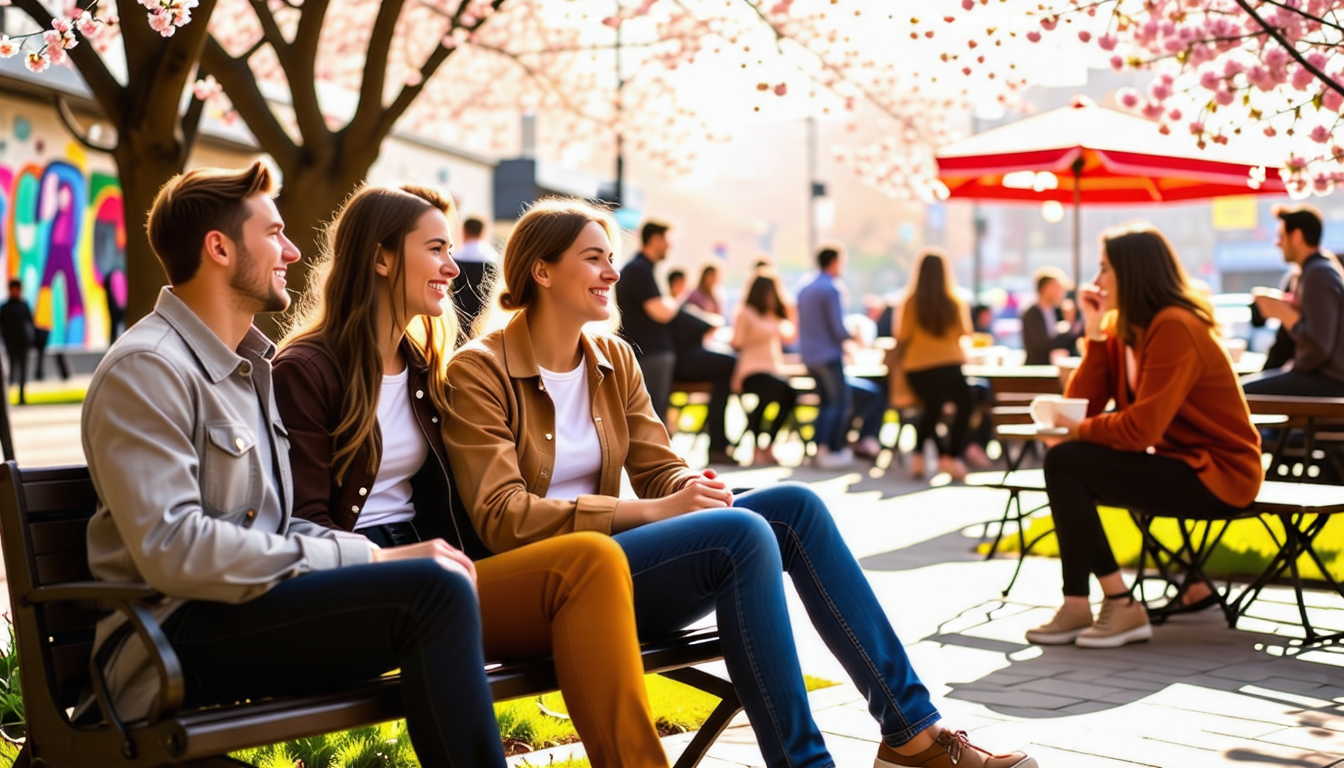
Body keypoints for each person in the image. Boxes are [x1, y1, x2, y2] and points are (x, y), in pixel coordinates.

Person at [442, 199, 1036, 768]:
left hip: (618, 565)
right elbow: (504, 515)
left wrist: (695, 489)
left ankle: (913, 734)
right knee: (740, 535)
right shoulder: (480, 368)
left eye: (610, 256)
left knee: (793, 505)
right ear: (541, 270)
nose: (613, 271)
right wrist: (651, 513)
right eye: (594, 257)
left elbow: (657, 469)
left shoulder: (612, 359)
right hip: (546, 583)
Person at [79, 163, 508, 766]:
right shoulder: (148, 367)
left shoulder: (251, 367)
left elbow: (282, 527)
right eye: (274, 233)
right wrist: (370, 556)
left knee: (438, 579)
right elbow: (173, 548)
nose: (293, 249)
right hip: (171, 640)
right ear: (220, 247)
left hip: (247, 612)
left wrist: (387, 557)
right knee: (431, 591)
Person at [273, 185, 669, 768]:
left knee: (592, 560)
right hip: (359, 578)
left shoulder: (422, 367)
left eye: (451, 249)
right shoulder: (306, 370)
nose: (453, 267)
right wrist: (393, 560)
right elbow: (303, 524)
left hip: (436, 568)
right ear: (381, 258)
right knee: (589, 558)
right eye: (435, 248)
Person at [1026, 222, 1262, 649]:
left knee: (1065, 461)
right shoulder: (1122, 332)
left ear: (1132, 274)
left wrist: (1078, 429)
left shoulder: (1175, 326)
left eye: (1104, 270)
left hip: (1220, 476)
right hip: (1180, 464)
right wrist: (1096, 335)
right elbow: (1083, 407)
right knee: (1066, 460)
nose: (1095, 282)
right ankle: (1082, 603)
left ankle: (1115, 603)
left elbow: (1139, 431)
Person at [796, 245, 886, 469]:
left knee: (827, 402)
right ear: (835, 261)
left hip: (809, 355)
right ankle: (830, 448)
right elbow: (838, 328)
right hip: (827, 354)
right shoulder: (832, 288)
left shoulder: (805, 287)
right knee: (838, 402)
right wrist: (854, 334)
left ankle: (820, 447)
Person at [1242, 204, 1344, 396]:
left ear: (1296, 236)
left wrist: (1287, 316)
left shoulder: (1319, 274)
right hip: (1320, 378)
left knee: (1239, 394)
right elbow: (1283, 347)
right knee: (1240, 390)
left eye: (1281, 236)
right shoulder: (1305, 274)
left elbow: (1319, 348)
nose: (1277, 243)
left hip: (1330, 382)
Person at [897, 250, 979, 481]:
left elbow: (902, 335)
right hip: (949, 364)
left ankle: (920, 458)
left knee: (931, 409)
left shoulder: (910, 302)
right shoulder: (954, 300)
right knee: (966, 401)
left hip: (917, 367)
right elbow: (965, 331)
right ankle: (950, 454)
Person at [732, 270, 798, 466]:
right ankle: (757, 446)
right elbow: (737, 341)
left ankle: (767, 444)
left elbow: (790, 336)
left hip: (773, 369)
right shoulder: (746, 313)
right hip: (752, 370)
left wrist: (789, 311)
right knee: (781, 392)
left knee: (785, 397)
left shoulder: (773, 316)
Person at [616, 219, 678, 425]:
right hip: (648, 353)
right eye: (666, 239)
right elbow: (661, 312)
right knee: (651, 413)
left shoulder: (644, 268)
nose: (670, 245)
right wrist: (674, 300)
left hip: (649, 352)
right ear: (655, 239)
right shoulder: (639, 269)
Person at [670, 300, 738, 465]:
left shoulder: (676, 308)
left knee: (725, 373)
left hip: (681, 363)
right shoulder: (677, 308)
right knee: (728, 365)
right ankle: (717, 445)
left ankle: (718, 443)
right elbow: (710, 324)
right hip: (683, 365)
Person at [1020, 267, 1080, 366]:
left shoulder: (1056, 311)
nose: (1062, 293)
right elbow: (1041, 344)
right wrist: (1069, 329)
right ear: (1046, 288)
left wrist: (1070, 321)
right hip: (1036, 370)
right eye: (1058, 288)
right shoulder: (1032, 313)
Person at [451, 214, 497, 338]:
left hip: (458, 315)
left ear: (464, 231)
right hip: (483, 315)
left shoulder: (455, 258)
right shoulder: (493, 258)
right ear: (483, 232)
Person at [1, 279, 34, 404]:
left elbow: (29, 323)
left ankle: (21, 397)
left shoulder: (23, 305)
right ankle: (8, 398)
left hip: (23, 342)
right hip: (11, 343)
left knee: (23, 370)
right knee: (11, 370)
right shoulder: (5, 308)